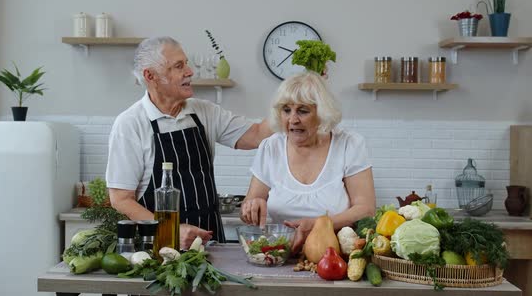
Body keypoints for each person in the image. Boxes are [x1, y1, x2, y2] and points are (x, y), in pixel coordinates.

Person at [106, 36, 272, 250]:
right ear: (150, 76)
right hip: (159, 250)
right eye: (178, 66)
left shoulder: (203, 111)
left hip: (210, 246)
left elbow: (257, 135)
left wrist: (291, 100)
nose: (189, 71)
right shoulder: (130, 124)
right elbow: (121, 200)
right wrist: (170, 231)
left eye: (186, 63)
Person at [240, 72, 375, 254]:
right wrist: (251, 208)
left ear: (322, 113)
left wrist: (320, 224)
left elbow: (365, 209)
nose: (293, 119)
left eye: (303, 111)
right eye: (286, 110)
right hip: (280, 253)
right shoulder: (271, 147)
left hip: (335, 256)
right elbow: (250, 205)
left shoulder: (349, 144)